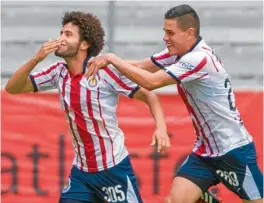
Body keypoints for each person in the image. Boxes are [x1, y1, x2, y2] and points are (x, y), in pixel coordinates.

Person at [86, 4, 263, 203]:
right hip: (205, 154)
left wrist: (112, 58)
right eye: (164, 31)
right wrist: (101, 64)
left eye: (170, 32)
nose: (165, 37)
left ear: (189, 33)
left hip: (235, 152)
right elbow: (143, 66)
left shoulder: (199, 59)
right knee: (174, 201)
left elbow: (150, 82)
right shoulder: (178, 54)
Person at [5, 11, 171, 203]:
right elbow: (12, 88)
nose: (60, 39)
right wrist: (36, 58)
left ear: (84, 44)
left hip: (113, 168)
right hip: (81, 173)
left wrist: (161, 128)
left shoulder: (103, 71)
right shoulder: (58, 72)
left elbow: (150, 96)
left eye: (68, 35)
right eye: (61, 33)